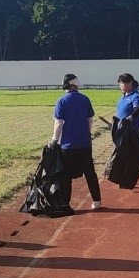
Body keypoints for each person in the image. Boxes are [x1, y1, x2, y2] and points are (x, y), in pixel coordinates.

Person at [48, 73, 102, 210]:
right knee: (90, 172)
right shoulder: (85, 99)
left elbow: (59, 123)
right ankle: (97, 200)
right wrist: (86, 132)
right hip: (85, 143)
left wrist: (54, 139)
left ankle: (66, 203)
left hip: (68, 145)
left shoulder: (61, 101)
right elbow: (90, 119)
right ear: (76, 85)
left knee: (66, 176)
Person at [117, 73, 139, 137]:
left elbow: (137, 109)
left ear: (130, 83)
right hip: (121, 128)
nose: (121, 86)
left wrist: (130, 117)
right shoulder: (124, 95)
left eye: (123, 83)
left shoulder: (136, 96)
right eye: (120, 83)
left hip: (132, 130)